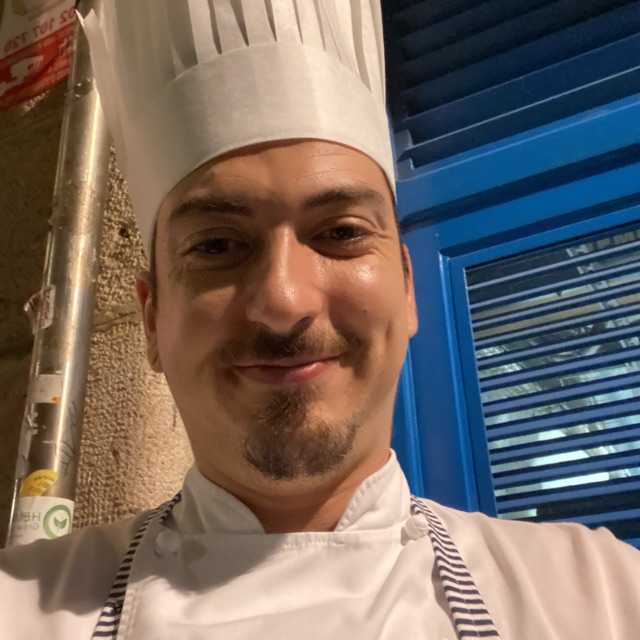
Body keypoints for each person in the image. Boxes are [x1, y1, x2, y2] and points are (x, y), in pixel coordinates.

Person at [1, 2, 639, 639]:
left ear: (409, 289)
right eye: (217, 245)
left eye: (341, 232)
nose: (283, 300)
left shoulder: (603, 598)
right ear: (151, 317)